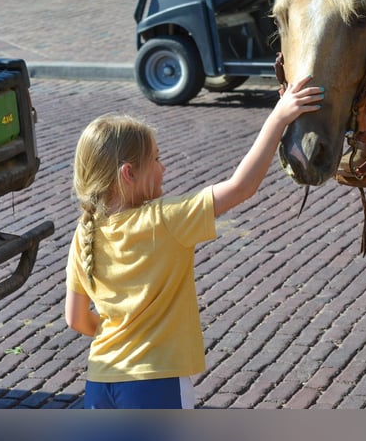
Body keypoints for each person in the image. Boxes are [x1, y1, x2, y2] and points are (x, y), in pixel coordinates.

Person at [64, 76, 323, 409]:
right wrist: (278, 117)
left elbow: (76, 320)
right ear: (128, 173)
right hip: (157, 381)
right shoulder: (165, 219)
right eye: (156, 160)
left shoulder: (84, 231)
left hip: (101, 382)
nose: (163, 167)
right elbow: (241, 187)